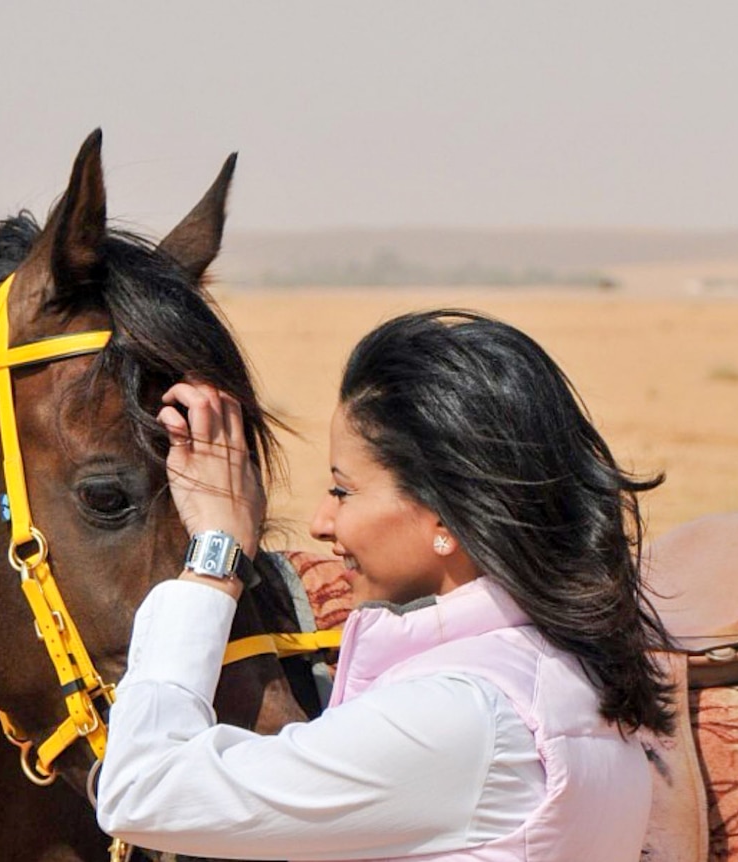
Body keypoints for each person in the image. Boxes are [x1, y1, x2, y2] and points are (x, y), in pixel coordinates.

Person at [96, 309, 673, 861]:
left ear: (446, 517)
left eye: (343, 491)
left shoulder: (459, 718)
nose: (322, 522)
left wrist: (214, 557)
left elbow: (143, 793)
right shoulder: (573, 673)